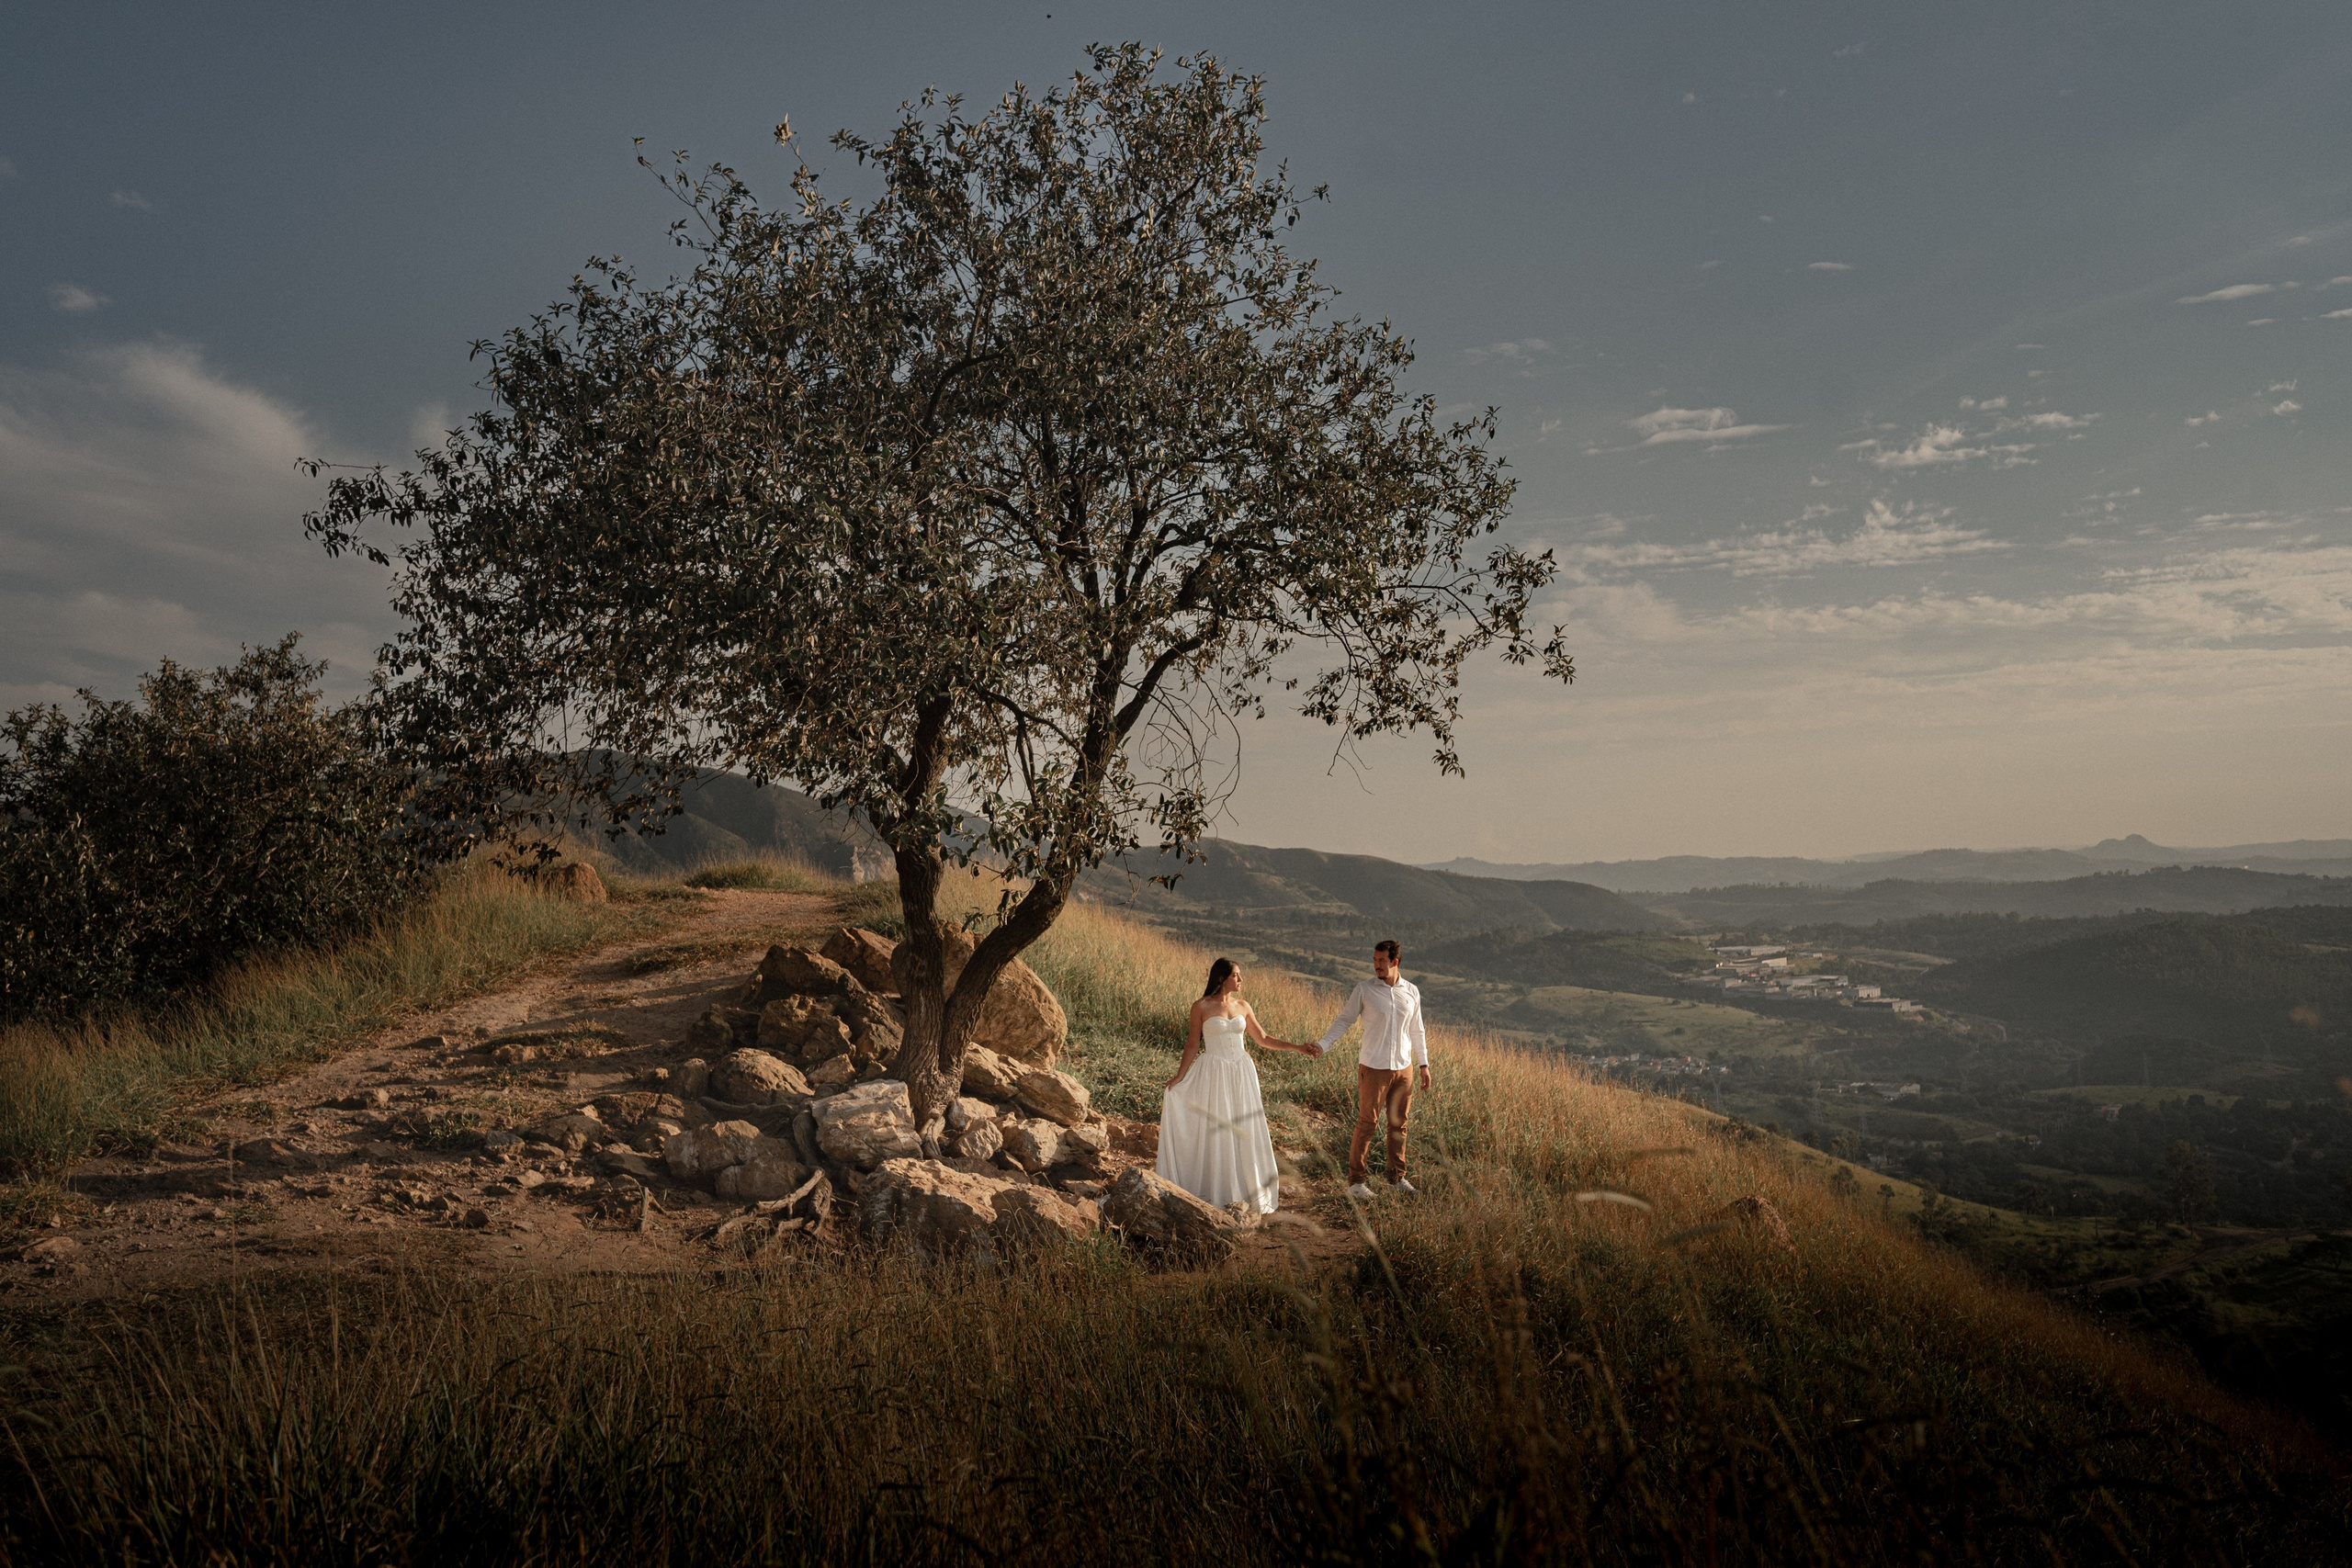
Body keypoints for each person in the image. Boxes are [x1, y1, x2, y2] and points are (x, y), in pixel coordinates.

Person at [1157, 957, 1317, 1213]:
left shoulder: (1243, 1005)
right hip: (1214, 1071)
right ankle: (1215, 1187)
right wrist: (1179, 1077)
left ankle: (1245, 1189)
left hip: (1241, 1071)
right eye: (1236, 975)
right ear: (1221, 978)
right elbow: (1193, 1043)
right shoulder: (1201, 1007)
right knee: (1218, 1125)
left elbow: (1263, 1038)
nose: (1241, 980)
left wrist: (1297, 1048)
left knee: (1243, 1125)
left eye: (1240, 975)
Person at [1315, 939, 1430, 1200]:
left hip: (1404, 1068)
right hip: (1374, 1067)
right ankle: (1356, 1183)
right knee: (1367, 1123)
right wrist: (1324, 1045)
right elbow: (1344, 1020)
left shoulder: (1411, 991)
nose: (1376, 965)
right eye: (1374, 960)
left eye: (1381, 961)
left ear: (1394, 962)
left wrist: (1424, 1064)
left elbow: (1417, 1029)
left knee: (1398, 1124)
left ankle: (1397, 1179)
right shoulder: (1364, 990)